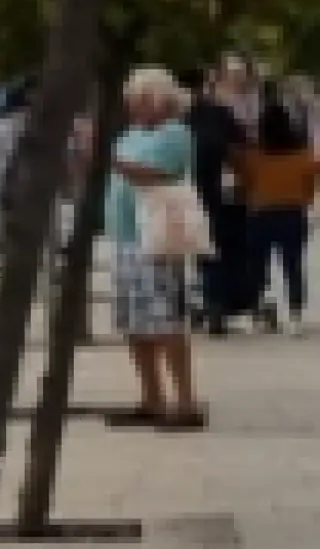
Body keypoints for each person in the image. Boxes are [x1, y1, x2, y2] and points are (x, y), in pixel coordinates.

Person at [107, 66, 208, 429]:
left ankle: (186, 402)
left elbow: (156, 171)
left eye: (139, 99)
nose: (132, 106)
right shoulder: (131, 133)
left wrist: (110, 160)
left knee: (165, 319)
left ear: (159, 99)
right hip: (126, 235)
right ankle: (151, 397)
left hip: (157, 236)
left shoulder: (175, 132)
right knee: (134, 323)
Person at [194, 59, 260, 333]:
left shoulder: (199, 117)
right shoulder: (220, 116)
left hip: (211, 196)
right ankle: (229, 302)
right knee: (230, 248)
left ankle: (218, 303)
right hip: (227, 195)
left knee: (214, 250)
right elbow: (244, 151)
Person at [248, 83, 317, 329]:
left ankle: (260, 308)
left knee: (259, 263)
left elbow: (244, 181)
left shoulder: (254, 156)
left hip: (261, 212)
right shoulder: (302, 155)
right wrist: (305, 199)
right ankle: (296, 313)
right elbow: (312, 181)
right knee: (293, 264)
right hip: (292, 212)